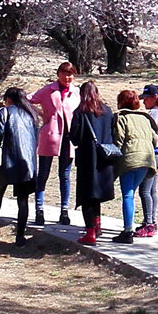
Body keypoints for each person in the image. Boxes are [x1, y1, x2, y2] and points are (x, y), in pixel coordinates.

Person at [0, 87, 38, 244]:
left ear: (8, 100)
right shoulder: (32, 115)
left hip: (9, 159)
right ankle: (20, 236)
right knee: (23, 200)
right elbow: (35, 140)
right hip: (28, 161)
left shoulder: (5, 112)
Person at [28, 62, 81, 226]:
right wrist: (40, 114)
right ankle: (39, 209)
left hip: (69, 139)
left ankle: (64, 211)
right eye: (65, 73)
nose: (68, 77)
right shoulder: (48, 90)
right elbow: (28, 99)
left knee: (65, 176)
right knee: (43, 174)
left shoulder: (76, 93)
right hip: (49, 136)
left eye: (71, 74)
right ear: (58, 74)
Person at [68, 81, 117, 245]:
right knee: (98, 194)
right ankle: (98, 226)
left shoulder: (80, 112)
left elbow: (74, 137)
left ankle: (90, 234)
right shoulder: (108, 111)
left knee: (87, 196)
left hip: (88, 159)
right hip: (106, 158)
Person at [112, 89, 158, 244]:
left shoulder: (122, 118)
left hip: (130, 160)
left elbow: (119, 140)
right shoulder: (145, 118)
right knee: (133, 193)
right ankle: (129, 228)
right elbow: (154, 138)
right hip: (147, 160)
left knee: (127, 195)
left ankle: (127, 231)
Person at [139, 84, 158, 236]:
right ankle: (151, 221)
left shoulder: (156, 113)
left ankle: (149, 223)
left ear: (154, 98)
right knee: (152, 190)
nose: (144, 102)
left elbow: (151, 134)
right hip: (157, 155)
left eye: (146, 99)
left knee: (145, 191)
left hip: (152, 154)